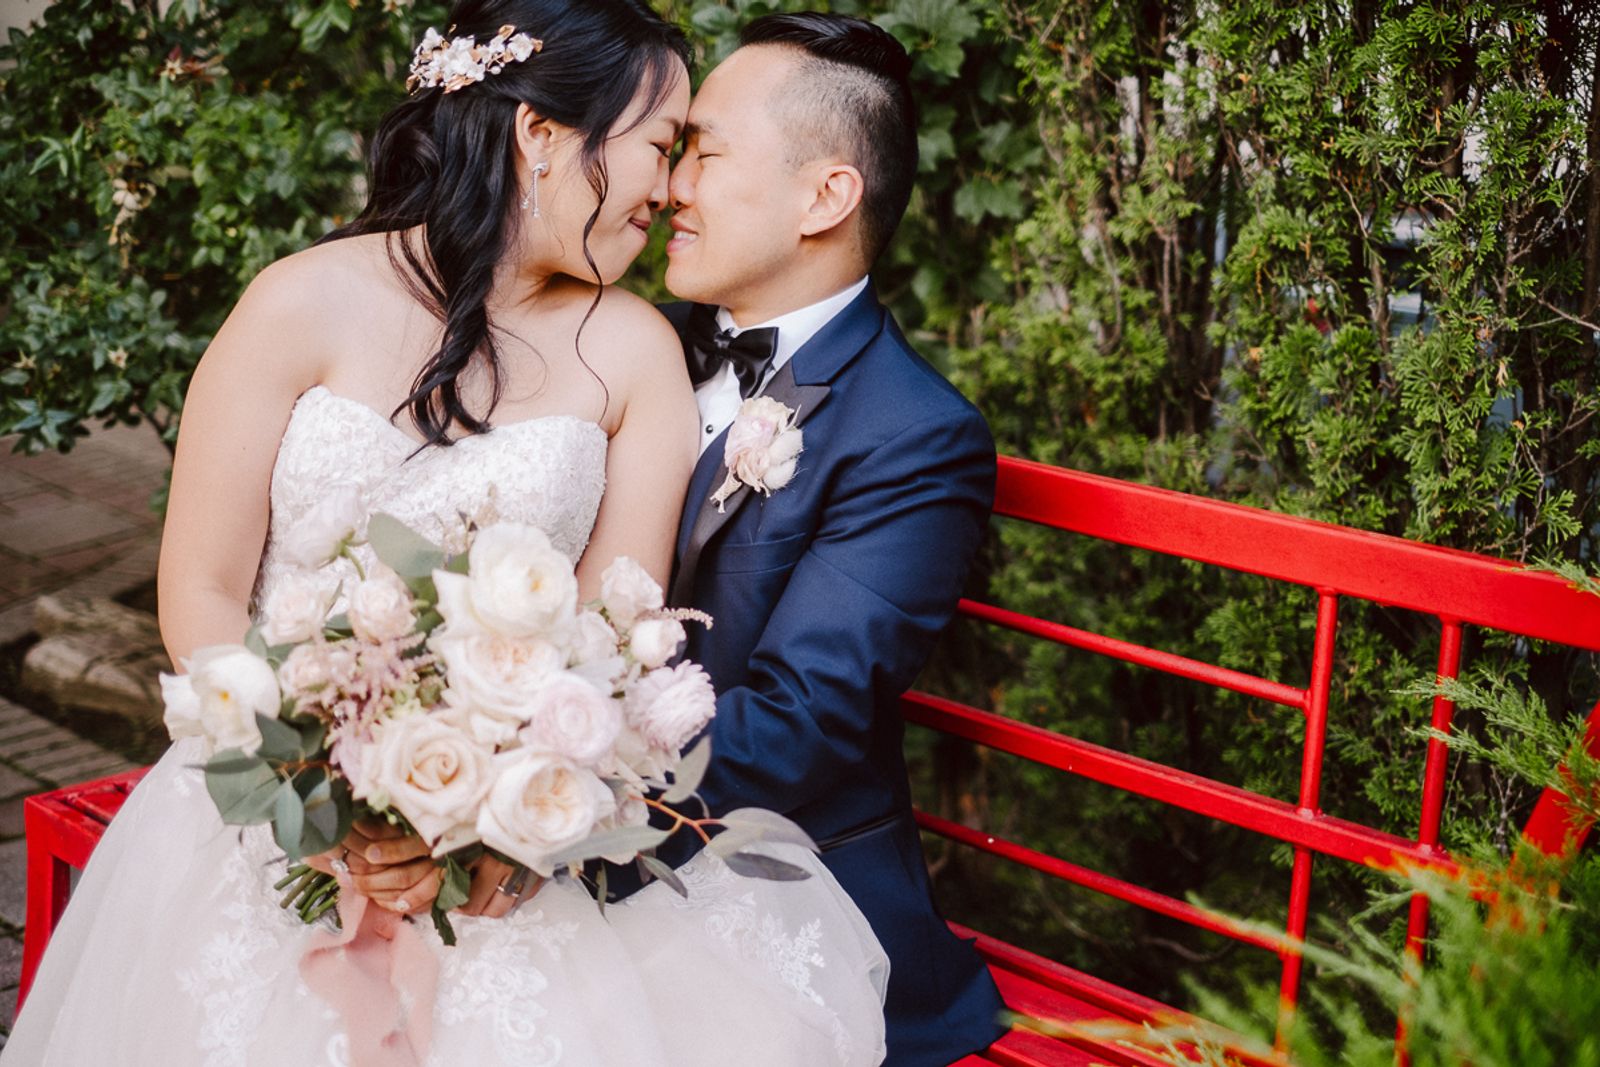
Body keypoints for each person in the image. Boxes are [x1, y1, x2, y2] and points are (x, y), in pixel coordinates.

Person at [2, 2, 888, 1063]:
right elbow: (200, 588)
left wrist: (487, 816)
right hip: (268, 792)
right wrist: (317, 799)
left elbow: (612, 629)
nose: (668, 188)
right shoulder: (296, 303)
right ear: (540, 134)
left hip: (502, 835)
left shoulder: (634, 351)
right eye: (660, 147)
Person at [649, 13, 1009, 1066]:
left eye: (706, 154)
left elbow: (799, 722)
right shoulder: (630, 347)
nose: (672, 186)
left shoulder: (914, 435)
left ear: (825, 197)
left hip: (773, 889)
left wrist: (555, 804)